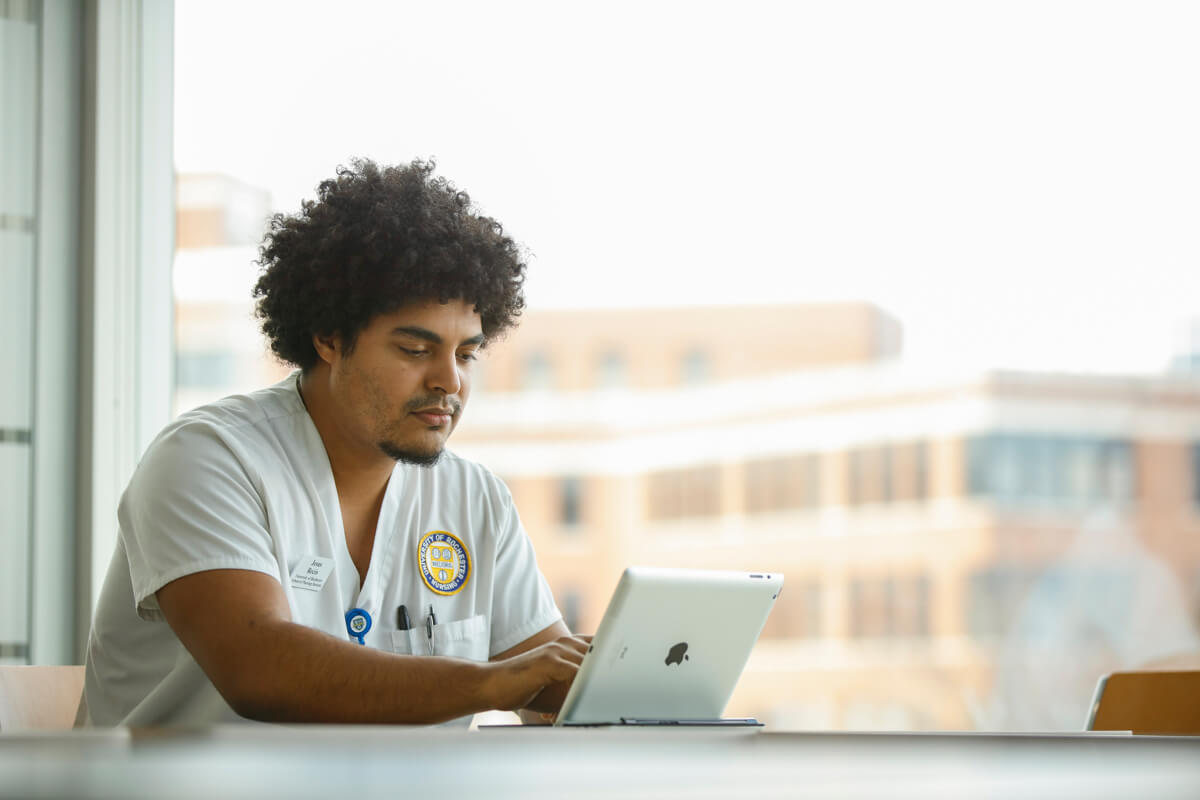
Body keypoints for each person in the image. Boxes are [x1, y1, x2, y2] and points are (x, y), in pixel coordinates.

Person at [81, 159, 589, 726]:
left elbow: (550, 692)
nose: (450, 381)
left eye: (466, 354)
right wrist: (492, 682)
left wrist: (613, 684)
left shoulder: (477, 499)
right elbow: (260, 669)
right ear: (329, 337)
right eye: (415, 350)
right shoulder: (205, 459)